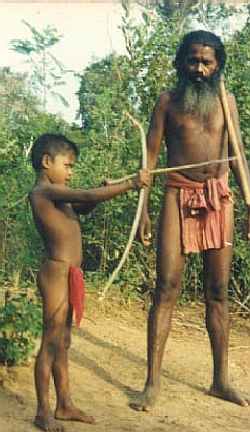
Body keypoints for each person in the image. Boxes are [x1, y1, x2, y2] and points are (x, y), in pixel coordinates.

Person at [135, 30, 250, 411]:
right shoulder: (167, 102)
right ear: (180, 62)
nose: (199, 68)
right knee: (166, 286)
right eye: (193, 60)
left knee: (217, 291)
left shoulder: (226, 101)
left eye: (207, 62)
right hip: (176, 194)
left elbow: (237, 157)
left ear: (218, 65)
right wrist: (144, 211)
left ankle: (220, 379)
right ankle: (152, 383)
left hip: (218, 197)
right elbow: (149, 161)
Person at [29, 133, 150, 432]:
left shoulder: (59, 193)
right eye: (67, 166)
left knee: (64, 342)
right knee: (51, 341)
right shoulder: (43, 191)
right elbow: (85, 197)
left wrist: (102, 190)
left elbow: (84, 205)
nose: (70, 172)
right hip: (56, 272)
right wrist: (131, 184)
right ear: (47, 162)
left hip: (70, 274)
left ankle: (65, 404)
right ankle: (43, 410)